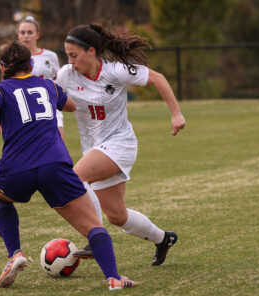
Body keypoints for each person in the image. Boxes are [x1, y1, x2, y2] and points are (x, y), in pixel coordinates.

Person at [0, 41, 135, 291]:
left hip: (17, 167)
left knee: (0, 198)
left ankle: (15, 253)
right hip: (54, 164)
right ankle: (113, 278)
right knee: (93, 226)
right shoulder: (48, 85)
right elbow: (70, 106)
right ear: (31, 64)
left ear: (3, 68)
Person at [55, 24, 186, 265]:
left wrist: (176, 114)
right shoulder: (66, 75)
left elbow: (157, 78)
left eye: (74, 55)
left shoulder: (116, 71)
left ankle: (96, 238)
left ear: (91, 52)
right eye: (67, 56)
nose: (70, 61)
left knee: (74, 179)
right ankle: (163, 239)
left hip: (120, 144)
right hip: (94, 150)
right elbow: (47, 98)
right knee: (117, 216)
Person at [16, 16, 65, 140]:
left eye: (30, 32)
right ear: (18, 35)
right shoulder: (14, 58)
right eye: (23, 33)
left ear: (37, 35)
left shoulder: (50, 56)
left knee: (59, 144)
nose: (26, 36)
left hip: (50, 105)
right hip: (26, 108)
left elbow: (58, 80)